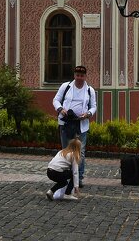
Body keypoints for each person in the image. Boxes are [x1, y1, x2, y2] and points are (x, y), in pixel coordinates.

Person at [52, 64, 96, 192]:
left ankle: (79, 178)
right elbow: (56, 100)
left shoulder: (90, 90)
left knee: (80, 152)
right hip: (66, 123)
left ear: (85, 76)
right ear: (74, 75)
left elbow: (93, 106)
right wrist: (60, 109)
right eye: (77, 75)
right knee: (66, 151)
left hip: (80, 124)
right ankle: (66, 177)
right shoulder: (66, 87)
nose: (79, 78)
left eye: (82, 76)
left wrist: (88, 114)